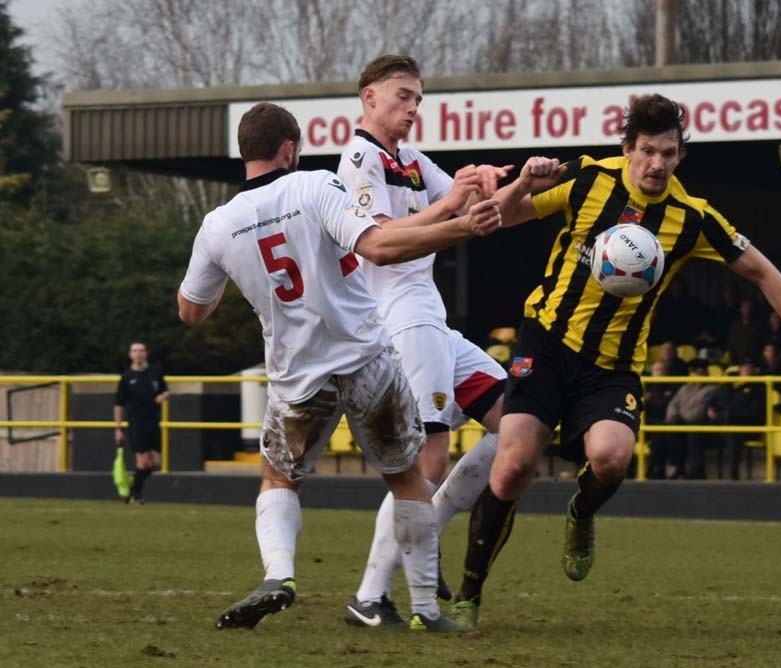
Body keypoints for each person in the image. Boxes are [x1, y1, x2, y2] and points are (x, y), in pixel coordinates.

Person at [449, 94, 781, 628]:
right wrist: (525, 181)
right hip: (545, 342)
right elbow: (497, 217)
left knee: (613, 459)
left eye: (668, 152)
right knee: (514, 465)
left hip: (611, 367)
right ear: (627, 149)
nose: (656, 163)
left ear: (680, 155)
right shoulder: (587, 178)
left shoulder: (692, 218)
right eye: (646, 151)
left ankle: (581, 512)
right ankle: (468, 597)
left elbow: (763, 272)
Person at [176, 101, 502, 632]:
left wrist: (232, 281)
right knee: (407, 478)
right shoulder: (314, 186)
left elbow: (191, 311)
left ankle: (279, 574)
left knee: (280, 477)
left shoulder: (218, 225)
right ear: (290, 149)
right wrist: (463, 227)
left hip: (295, 375)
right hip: (366, 358)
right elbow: (378, 246)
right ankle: (425, 608)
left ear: (244, 153)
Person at [335, 54, 511, 628]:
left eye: (417, 99)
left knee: (520, 422)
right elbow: (380, 237)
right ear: (369, 97)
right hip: (402, 320)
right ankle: (374, 595)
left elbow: (468, 204)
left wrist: (498, 183)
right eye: (403, 96)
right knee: (428, 458)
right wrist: (453, 205)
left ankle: (417, 535)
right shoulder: (361, 158)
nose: (413, 108)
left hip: (431, 321)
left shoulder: (407, 159)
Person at [113, 341, 169, 505]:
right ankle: (137, 496)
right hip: (136, 422)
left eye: (141, 350)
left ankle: (132, 487)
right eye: (135, 351)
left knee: (156, 463)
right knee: (143, 461)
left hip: (153, 421)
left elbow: (165, 390)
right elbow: (118, 404)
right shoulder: (127, 377)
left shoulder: (155, 372)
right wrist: (118, 428)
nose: (138, 353)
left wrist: (163, 396)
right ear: (130, 355)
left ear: (146, 353)